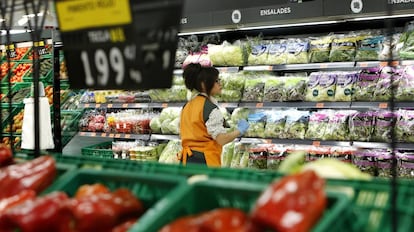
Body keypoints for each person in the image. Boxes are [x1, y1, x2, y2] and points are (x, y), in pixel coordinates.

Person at [178, 63, 249, 167]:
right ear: (203, 84)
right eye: (216, 81)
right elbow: (221, 139)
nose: (220, 84)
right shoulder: (210, 108)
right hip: (205, 162)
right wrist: (239, 130)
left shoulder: (187, 106)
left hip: (187, 160)